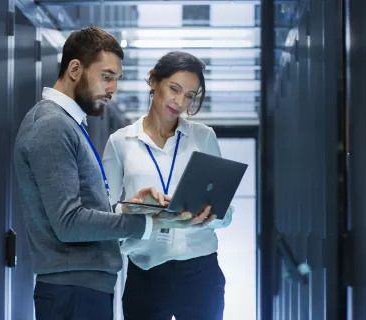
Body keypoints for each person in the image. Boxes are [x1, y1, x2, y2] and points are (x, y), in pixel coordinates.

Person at [13, 27, 217, 320]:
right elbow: (69, 221)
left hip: (81, 288)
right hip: (73, 291)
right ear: (74, 69)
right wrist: (145, 223)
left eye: (116, 80)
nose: (112, 89)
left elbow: (88, 208)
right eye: (106, 77)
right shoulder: (51, 126)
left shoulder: (67, 125)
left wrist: (129, 206)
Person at [102, 51, 234, 320]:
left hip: (200, 272)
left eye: (189, 95)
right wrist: (135, 208)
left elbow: (226, 211)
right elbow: (105, 214)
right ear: (153, 80)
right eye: (174, 89)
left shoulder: (203, 137)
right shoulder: (120, 142)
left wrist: (209, 215)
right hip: (145, 271)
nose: (180, 101)